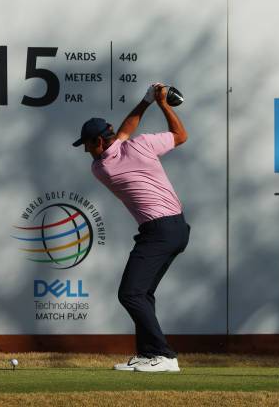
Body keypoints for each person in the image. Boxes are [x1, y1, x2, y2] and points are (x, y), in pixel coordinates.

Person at [72, 83, 190, 372]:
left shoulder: (102, 167)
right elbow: (180, 136)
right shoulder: (140, 145)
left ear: (99, 142)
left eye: (87, 144)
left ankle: (165, 356)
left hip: (160, 231)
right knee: (142, 294)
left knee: (130, 294)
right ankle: (149, 354)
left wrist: (148, 102)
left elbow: (123, 132)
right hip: (174, 229)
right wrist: (159, 102)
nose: (86, 149)